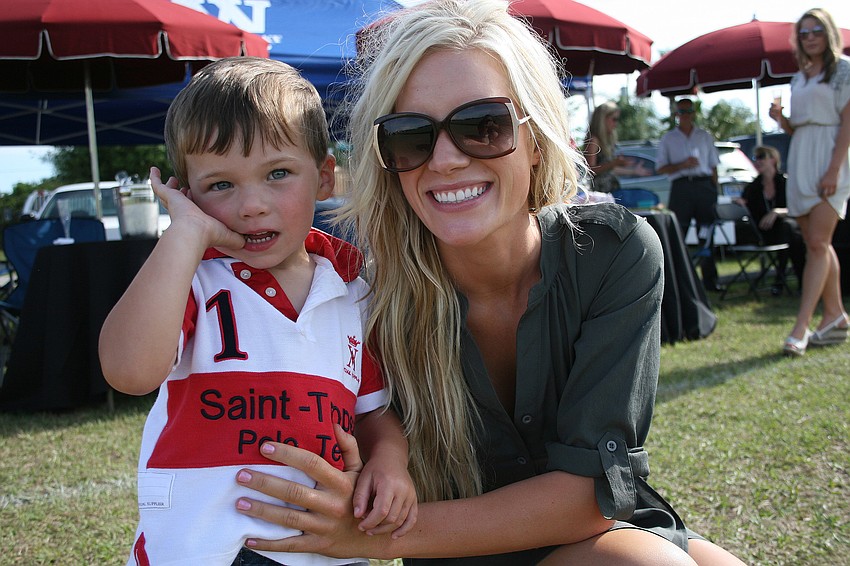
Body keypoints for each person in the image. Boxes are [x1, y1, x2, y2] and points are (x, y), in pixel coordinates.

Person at [230, 1, 746, 564]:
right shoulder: (360, 300)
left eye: (483, 125)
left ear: (537, 138)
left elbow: (590, 494)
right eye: (411, 136)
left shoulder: (613, 253)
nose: (445, 160)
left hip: (597, 528)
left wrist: (373, 538)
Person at [98, 57, 416, 566]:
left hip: (325, 550)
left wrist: (391, 460)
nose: (251, 205)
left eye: (278, 174)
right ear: (187, 195)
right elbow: (128, 371)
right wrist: (184, 234)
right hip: (199, 550)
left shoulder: (354, 291)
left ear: (325, 177)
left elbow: (372, 410)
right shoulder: (189, 279)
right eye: (220, 185)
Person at [769, 7, 850, 356]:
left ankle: (801, 326)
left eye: (816, 30)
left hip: (830, 154)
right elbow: (797, 126)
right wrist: (781, 119)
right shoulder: (799, 77)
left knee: (817, 242)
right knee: (817, 243)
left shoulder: (843, 69)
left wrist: (834, 169)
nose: (810, 37)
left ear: (828, 33)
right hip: (800, 154)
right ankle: (835, 316)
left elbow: (847, 123)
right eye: (804, 32)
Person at [656, 98, 724, 292]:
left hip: (704, 186)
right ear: (676, 114)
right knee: (678, 233)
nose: (685, 115)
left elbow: (713, 166)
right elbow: (660, 168)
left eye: (688, 111)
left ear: (694, 113)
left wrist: (714, 190)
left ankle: (710, 281)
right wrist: (682, 165)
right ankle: (676, 281)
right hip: (682, 187)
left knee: (707, 233)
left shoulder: (704, 136)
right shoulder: (668, 138)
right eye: (681, 112)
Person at [738, 145, 806, 294]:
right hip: (763, 233)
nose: (758, 161)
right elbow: (746, 208)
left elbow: (797, 208)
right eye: (755, 157)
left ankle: (782, 279)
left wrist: (776, 212)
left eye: (762, 156)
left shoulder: (786, 183)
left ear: (773, 159)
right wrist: (740, 205)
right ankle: (790, 279)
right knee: (791, 233)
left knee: (788, 228)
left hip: (786, 231)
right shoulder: (753, 188)